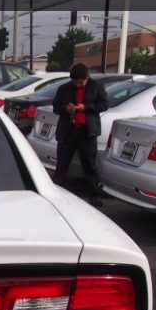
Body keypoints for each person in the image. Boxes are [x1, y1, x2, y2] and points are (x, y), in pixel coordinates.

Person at [52, 63, 109, 206]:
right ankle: (54, 193)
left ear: (87, 77)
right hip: (68, 130)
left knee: (89, 164)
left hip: (87, 131)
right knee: (62, 165)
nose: (78, 85)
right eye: (75, 82)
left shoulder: (97, 86)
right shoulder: (64, 89)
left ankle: (95, 195)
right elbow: (55, 107)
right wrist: (66, 109)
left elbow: (104, 105)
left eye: (81, 82)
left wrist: (86, 107)